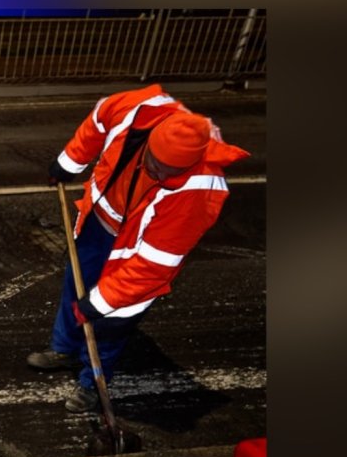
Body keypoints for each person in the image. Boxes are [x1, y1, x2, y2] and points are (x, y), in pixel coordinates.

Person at [29, 84, 249, 412]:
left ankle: (93, 382)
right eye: (153, 162)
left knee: (113, 318)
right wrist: (69, 162)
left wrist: (101, 302)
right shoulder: (139, 108)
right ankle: (64, 347)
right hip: (101, 221)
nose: (156, 172)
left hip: (137, 254)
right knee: (74, 287)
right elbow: (99, 120)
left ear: (191, 164)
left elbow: (152, 266)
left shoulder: (199, 190)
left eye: (168, 171)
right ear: (150, 140)